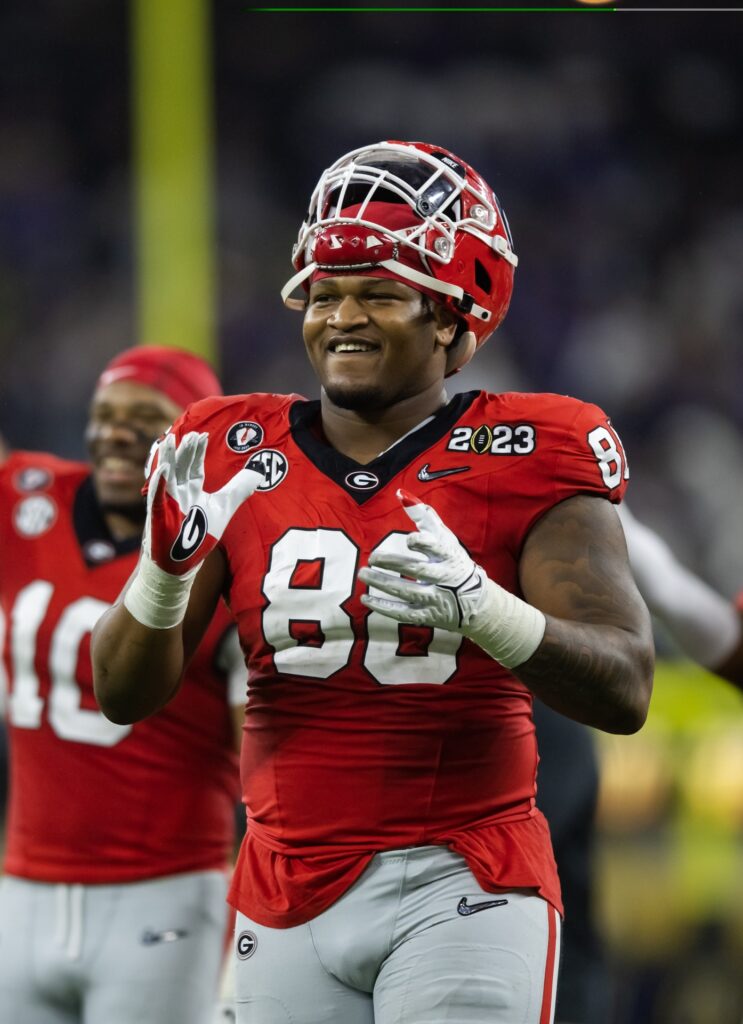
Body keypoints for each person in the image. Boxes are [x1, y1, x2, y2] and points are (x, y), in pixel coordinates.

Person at [92, 141, 654, 1024]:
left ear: (451, 318)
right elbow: (123, 695)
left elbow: (624, 687)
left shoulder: (530, 447)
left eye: (380, 293)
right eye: (324, 294)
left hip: (464, 878)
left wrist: (487, 613)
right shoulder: (231, 449)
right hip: (282, 887)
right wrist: (163, 574)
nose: (342, 317)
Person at [0, 346, 246, 1024]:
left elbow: (263, 769)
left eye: (146, 419)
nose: (116, 432)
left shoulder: (224, 557)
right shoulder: (26, 498)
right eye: (105, 414)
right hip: (21, 890)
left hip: (165, 896)